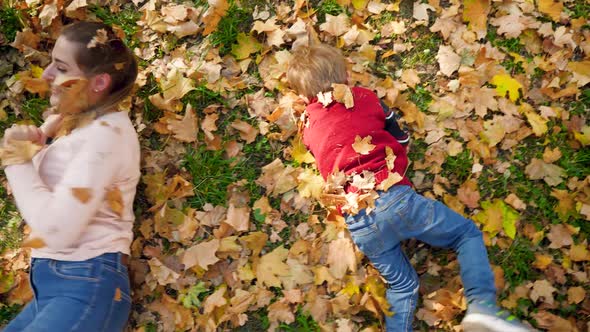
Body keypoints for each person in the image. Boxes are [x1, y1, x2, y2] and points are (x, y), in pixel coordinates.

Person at [287, 43, 533, 332]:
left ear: (305, 97)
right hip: (396, 200)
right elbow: (399, 137)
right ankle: (481, 306)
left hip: (360, 222)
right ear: (346, 80)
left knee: (402, 286)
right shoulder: (364, 97)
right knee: (466, 234)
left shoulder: (309, 127)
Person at [1, 21, 140, 332]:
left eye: (61, 67)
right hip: (55, 287)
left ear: (99, 82)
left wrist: (15, 162)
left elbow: (56, 230)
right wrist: (39, 143)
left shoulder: (108, 135)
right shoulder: (86, 129)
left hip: (86, 284)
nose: (47, 74)